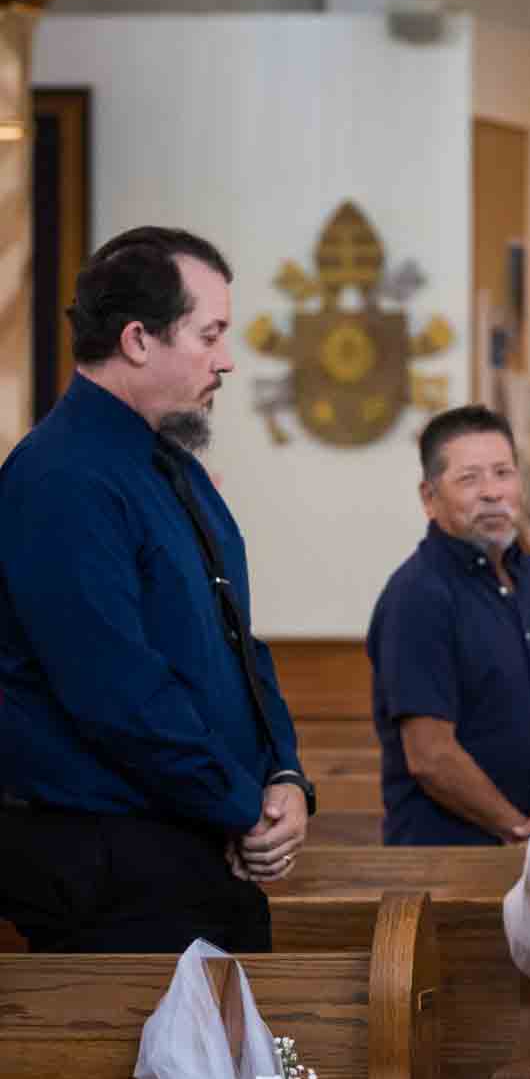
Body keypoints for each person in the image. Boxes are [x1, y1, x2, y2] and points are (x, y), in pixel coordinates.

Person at [0, 227, 311, 953]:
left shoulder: (173, 465)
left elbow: (238, 642)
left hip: (191, 841)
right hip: (115, 865)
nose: (226, 359)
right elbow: (116, 691)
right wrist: (242, 806)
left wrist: (286, 776)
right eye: (210, 334)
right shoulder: (62, 478)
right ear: (139, 338)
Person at [367, 405, 530, 846]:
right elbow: (430, 756)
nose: (492, 492)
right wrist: (517, 829)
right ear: (428, 496)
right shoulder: (418, 594)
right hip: (448, 853)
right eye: (469, 478)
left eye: (503, 473)